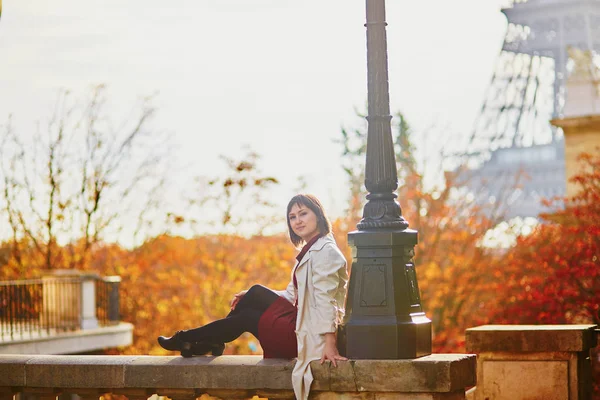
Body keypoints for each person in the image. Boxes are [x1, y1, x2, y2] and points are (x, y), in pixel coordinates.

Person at [157, 193, 349, 400]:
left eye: (303, 214)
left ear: (319, 215)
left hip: (309, 336)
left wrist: (330, 342)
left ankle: (192, 340)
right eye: (292, 217)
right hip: (301, 326)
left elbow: (326, 300)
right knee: (253, 295)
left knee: (248, 314)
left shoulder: (326, 252)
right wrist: (249, 294)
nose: (297, 221)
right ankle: (201, 341)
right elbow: (290, 295)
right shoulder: (311, 250)